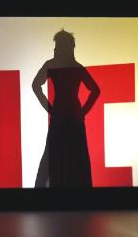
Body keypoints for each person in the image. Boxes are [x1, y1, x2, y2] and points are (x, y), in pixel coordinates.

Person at [32, 30, 100, 187]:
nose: (55, 50)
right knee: (77, 157)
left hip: (59, 116)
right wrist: (83, 111)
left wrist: (49, 108)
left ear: (61, 47)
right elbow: (95, 90)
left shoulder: (52, 65)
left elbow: (35, 85)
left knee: (54, 155)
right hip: (74, 117)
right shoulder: (76, 67)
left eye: (57, 46)